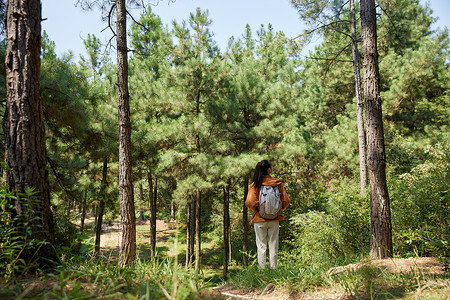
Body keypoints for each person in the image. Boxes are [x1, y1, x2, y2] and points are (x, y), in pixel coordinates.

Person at [245, 160, 290, 269]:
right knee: (273, 245)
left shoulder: (255, 185)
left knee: (261, 247)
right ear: (268, 170)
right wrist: (277, 210)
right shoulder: (277, 183)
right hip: (274, 220)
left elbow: (249, 202)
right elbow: (286, 200)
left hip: (259, 220)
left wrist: (258, 208)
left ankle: (262, 272)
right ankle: (274, 270)